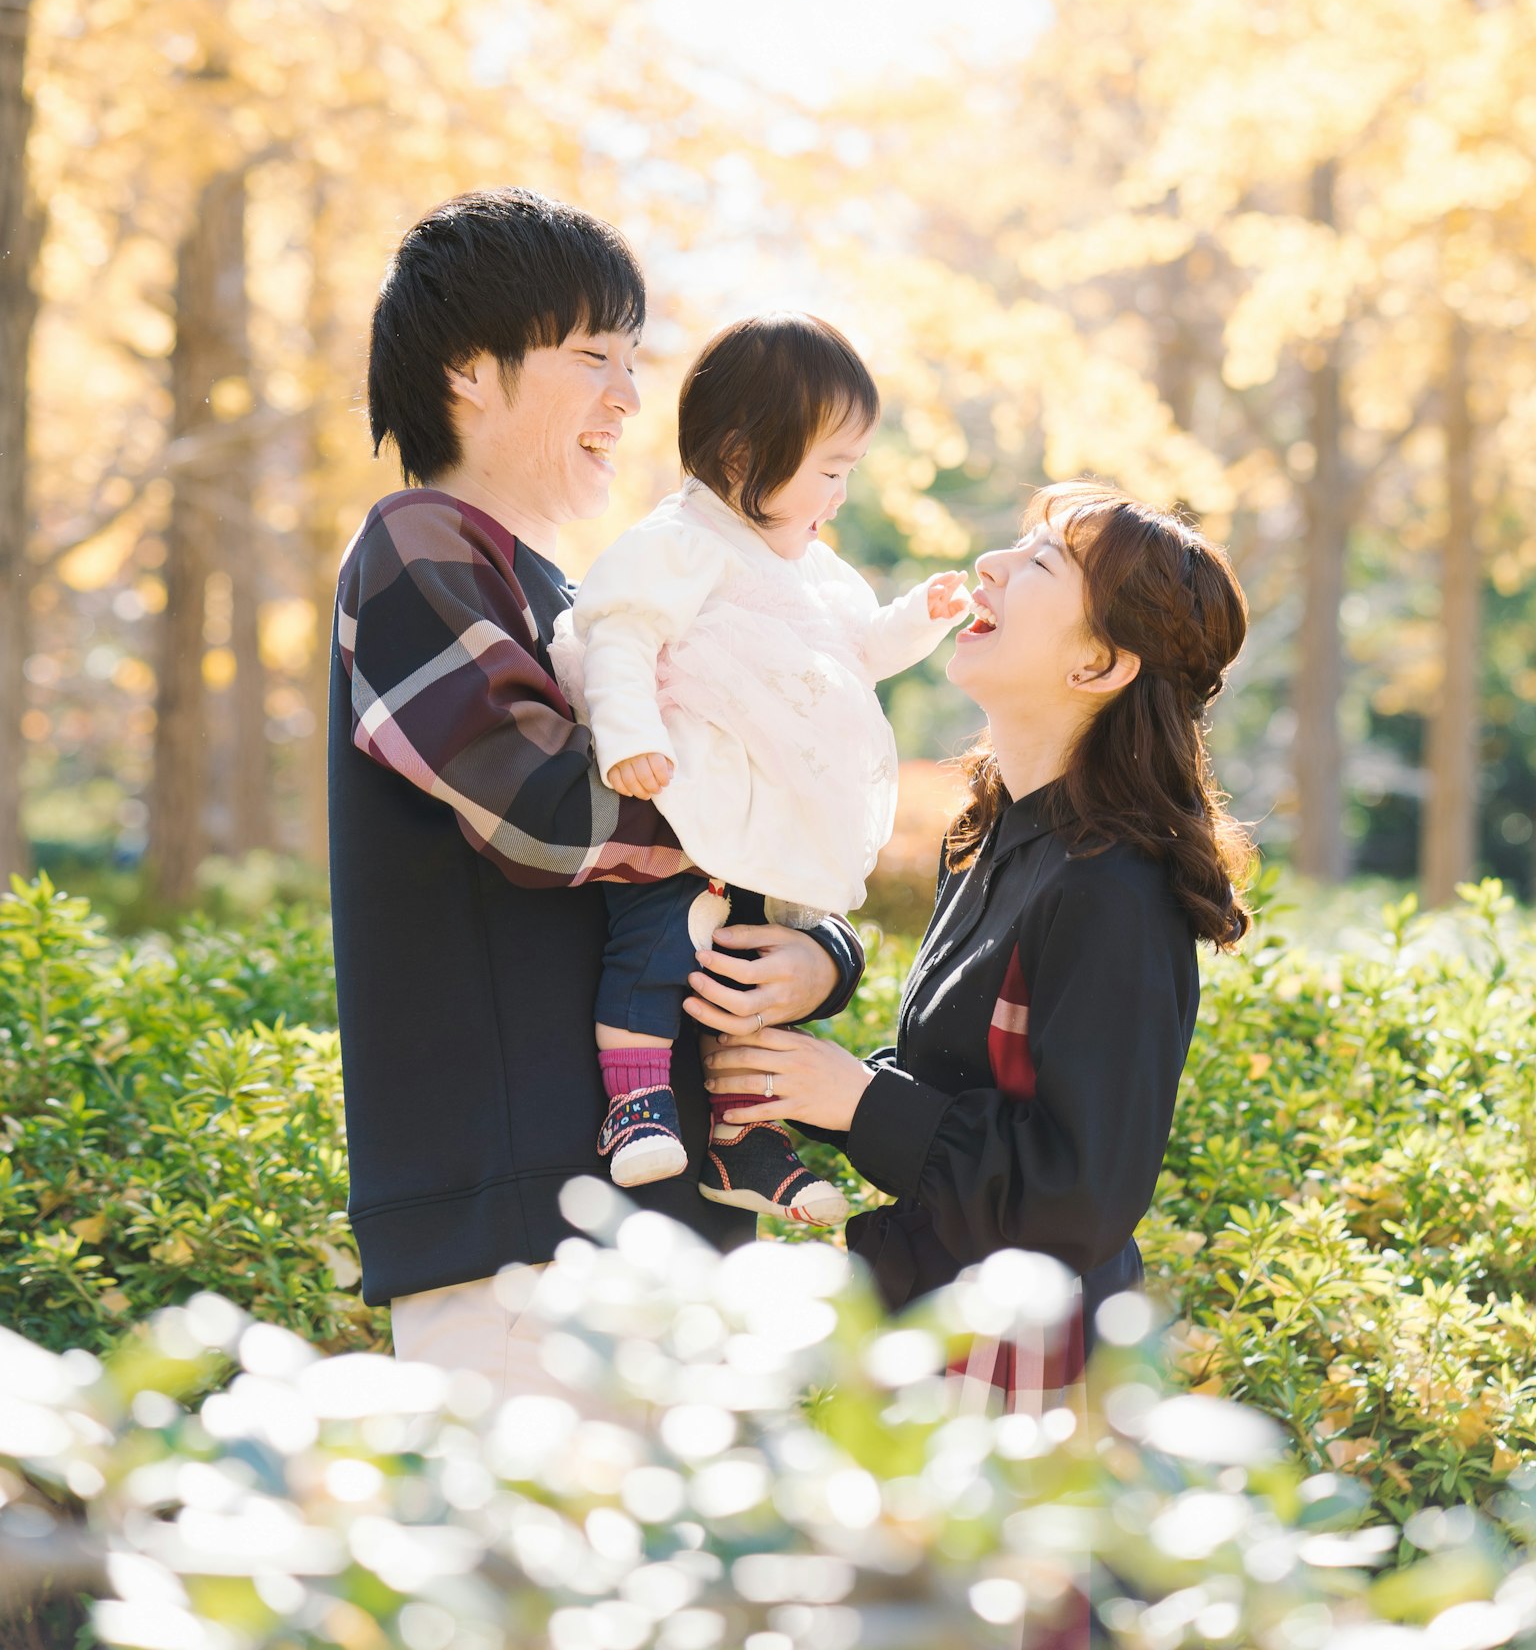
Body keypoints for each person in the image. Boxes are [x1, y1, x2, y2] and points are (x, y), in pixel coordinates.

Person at [328, 189, 866, 1394]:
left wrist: (817, 956)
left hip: (655, 1219)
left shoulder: (583, 605)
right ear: (470, 373)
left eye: (634, 359)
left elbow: (744, 811)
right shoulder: (419, 549)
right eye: (592, 358)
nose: (628, 397)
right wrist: (760, 824)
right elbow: (547, 816)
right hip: (523, 1232)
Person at [699, 479, 1253, 1378]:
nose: (989, 564)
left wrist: (858, 1100)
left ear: (1099, 666)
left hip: (1023, 1382)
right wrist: (804, 1082)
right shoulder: (994, 833)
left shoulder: (1116, 888)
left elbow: (1078, 1199)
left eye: (1041, 563)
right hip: (936, 1343)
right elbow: (959, 1091)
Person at [551, 313, 969, 1221]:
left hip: (763, 813)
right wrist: (629, 736)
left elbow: (858, 651)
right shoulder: (682, 542)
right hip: (688, 793)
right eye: (830, 470)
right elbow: (620, 634)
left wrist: (920, 618)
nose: (840, 495)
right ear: (743, 456)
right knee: (665, 935)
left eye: (849, 472)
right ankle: (634, 1100)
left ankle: (744, 1135)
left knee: (754, 967)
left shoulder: (812, 569)